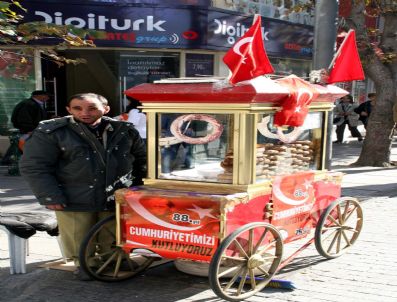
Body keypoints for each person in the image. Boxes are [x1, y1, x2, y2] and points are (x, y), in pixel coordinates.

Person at [19, 93, 146, 281]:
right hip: (73, 194)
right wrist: (50, 196)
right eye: (77, 108)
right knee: (78, 234)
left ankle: (115, 258)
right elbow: (34, 166)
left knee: (114, 230)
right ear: (69, 110)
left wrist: (139, 188)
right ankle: (85, 264)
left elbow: (142, 159)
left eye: (92, 108)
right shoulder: (52, 131)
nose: (85, 113)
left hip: (116, 194)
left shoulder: (124, 130)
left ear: (106, 109)